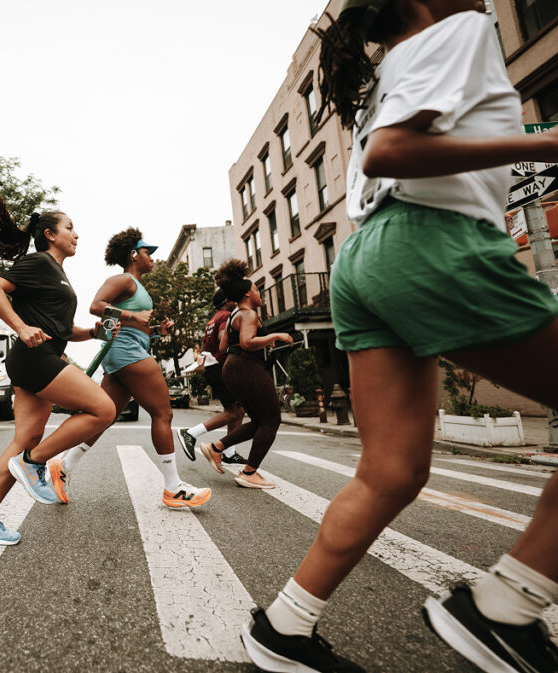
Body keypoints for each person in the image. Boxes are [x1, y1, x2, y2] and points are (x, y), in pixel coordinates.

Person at [240, 2, 558, 672]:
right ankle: (506, 604)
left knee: (390, 470)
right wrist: (547, 140)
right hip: (431, 243)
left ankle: (284, 625)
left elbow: (380, 152)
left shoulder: (389, 71)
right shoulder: (461, 30)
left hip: (366, 261)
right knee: (390, 471)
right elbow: (395, 151)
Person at [0, 194, 116, 546]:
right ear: (49, 234)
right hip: (35, 357)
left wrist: (94, 332)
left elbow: (62, 329)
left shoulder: (58, 273)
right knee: (103, 409)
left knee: (25, 438)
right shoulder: (39, 262)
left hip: (41, 356)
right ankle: (34, 464)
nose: (77, 234)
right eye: (70, 228)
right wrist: (20, 326)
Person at [46, 227, 211, 509]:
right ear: (134, 254)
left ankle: (64, 466)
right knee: (163, 413)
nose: (153, 258)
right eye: (149, 252)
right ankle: (173, 488)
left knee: (104, 416)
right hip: (126, 353)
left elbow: (136, 327)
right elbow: (96, 306)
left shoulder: (138, 287)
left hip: (126, 352)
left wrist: (158, 329)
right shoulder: (123, 279)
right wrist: (135, 314)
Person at [198, 259, 293, 489]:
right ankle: (250, 473)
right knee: (272, 420)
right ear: (248, 293)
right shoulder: (248, 314)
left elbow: (222, 347)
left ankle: (216, 448)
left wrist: (254, 344)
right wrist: (274, 337)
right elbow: (247, 342)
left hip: (232, 368)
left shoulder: (233, 315)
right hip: (246, 367)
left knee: (261, 420)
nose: (260, 292)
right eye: (257, 289)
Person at [177, 289, 248, 470]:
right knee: (233, 412)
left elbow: (203, 346)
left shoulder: (212, 319)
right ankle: (191, 433)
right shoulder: (225, 316)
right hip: (221, 367)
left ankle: (229, 453)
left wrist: (203, 364)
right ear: (227, 301)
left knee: (238, 411)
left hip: (213, 368)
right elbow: (222, 339)